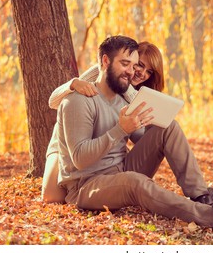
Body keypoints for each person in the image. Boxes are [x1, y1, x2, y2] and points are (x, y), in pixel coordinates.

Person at [47, 35, 213, 239]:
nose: (132, 72)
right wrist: (119, 129)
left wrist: (152, 129)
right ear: (105, 61)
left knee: (167, 127)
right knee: (135, 182)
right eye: (125, 64)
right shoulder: (79, 99)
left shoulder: (126, 98)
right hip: (87, 185)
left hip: (120, 169)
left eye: (134, 66)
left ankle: (202, 195)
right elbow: (80, 159)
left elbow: (140, 137)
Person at [42, 42, 165, 203]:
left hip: (105, 142)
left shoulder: (143, 92)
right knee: (52, 197)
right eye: (139, 65)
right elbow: (54, 101)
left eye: (149, 72)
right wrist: (73, 83)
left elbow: (137, 137)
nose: (141, 73)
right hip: (68, 140)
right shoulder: (106, 73)